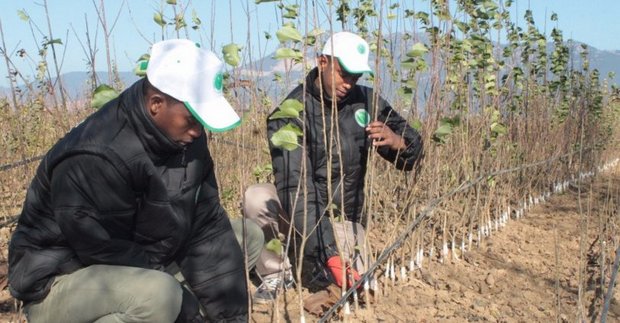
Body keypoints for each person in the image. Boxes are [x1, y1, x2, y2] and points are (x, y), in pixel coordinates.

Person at [8, 39, 264, 322]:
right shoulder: (96, 155)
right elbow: (102, 250)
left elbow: (206, 224)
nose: (197, 130)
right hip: (61, 280)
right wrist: (186, 309)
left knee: (246, 236)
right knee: (160, 295)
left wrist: (230, 317)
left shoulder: (183, 139)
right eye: (192, 119)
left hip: (142, 258)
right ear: (156, 104)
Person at [246, 31, 423, 303]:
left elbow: (414, 150)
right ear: (322, 62)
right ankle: (277, 271)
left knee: (358, 289)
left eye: (356, 78)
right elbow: (296, 187)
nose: (349, 84)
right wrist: (329, 253)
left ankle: (317, 257)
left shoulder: (366, 100)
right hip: (300, 208)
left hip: (344, 217)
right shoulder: (291, 112)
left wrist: (399, 143)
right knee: (257, 197)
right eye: (344, 74)